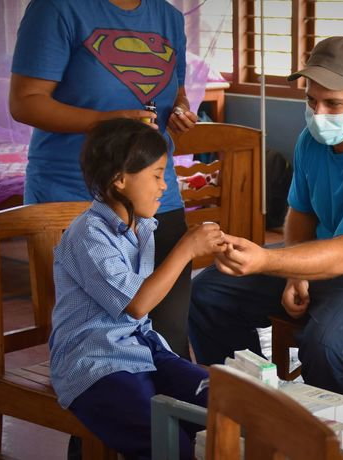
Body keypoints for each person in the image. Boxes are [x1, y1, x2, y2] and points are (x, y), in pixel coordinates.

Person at [188, 36, 343, 397]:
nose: (318, 114)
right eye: (311, 100)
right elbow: (301, 211)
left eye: (333, 103)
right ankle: (247, 402)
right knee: (209, 291)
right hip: (325, 261)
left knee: (328, 342)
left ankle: (330, 439)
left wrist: (265, 259)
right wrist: (293, 271)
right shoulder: (312, 141)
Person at [9, 0, 198, 357]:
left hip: (156, 200)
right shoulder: (57, 9)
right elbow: (25, 102)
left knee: (169, 336)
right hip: (71, 195)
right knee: (96, 338)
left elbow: (177, 91)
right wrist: (108, 121)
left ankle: (165, 412)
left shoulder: (169, 17)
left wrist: (181, 112)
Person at [49, 119, 225, 458]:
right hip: (94, 362)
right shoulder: (88, 234)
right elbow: (137, 304)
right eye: (157, 175)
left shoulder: (141, 225)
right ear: (120, 179)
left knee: (222, 403)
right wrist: (186, 248)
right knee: (170, 445)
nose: (164, 186)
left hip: (142, 350)